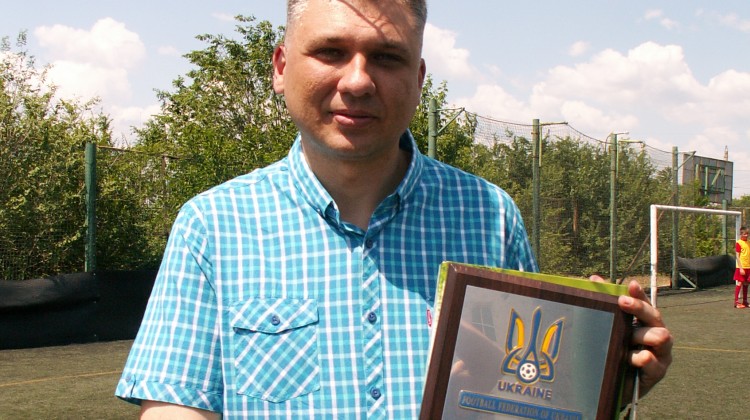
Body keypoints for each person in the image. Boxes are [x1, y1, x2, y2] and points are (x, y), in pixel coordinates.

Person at [115, 0, 673, 418]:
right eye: (331, 51)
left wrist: (601, 378)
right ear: (281, 67)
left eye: (386, 57)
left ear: (419, 78)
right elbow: (176, 407)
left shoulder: (489, 215)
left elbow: (524, 395)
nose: (358, 81)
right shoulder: (212, 226)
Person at [734, 226, 749, 308]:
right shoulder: (739, 243)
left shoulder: (749, 243)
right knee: (740, 282)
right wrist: (740, 268)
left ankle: (745, 301)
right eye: (745, 234)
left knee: (746, 283)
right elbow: (737, 256)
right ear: (741, 234)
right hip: (741, 267)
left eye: (747, 234)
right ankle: (736, 302)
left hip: (748, 267)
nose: (746, 235)